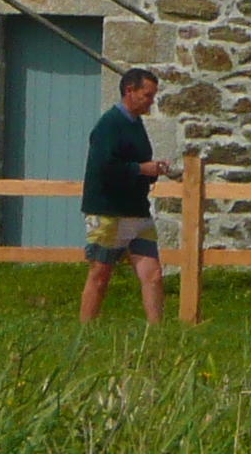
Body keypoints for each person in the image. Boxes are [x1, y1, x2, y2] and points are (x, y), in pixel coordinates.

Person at [79, 66, 176, 323]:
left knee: (152, 274)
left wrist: (153, 170)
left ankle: (157, 333)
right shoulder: (108, 125)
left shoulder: (136, 124)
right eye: (147, 95)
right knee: (100, 274)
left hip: (136, 211)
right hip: (108, 211)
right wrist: (141, 169)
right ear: (129, 91)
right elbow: (103, 169)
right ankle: (84, 329)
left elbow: (136, 163)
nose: (151, 102)